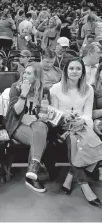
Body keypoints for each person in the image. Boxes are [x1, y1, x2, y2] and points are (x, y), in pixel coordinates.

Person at [50, 58, 102, 207]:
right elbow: (54, 111)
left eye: (78, 69)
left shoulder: (88, 89)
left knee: (97, 144)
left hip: (82, 124)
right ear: (66, 70)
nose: (74, 71)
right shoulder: (56, 88)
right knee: (74, 143)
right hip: (63, 125)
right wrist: (65, 117)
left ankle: (70, 175)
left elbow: (87, 113)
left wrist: (83, 121)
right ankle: (84, 185)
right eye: (71, 68)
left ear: (82, 72)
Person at [4, 62, 49, 193]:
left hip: (36, 124)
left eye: (28, 73)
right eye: (24, 72)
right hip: (17, 125)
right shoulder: (16, 87)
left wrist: (42, 116)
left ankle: (32, 170)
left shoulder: (44, 90)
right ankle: (33, 173)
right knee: (39, 140)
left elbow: (45, 110)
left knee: (40, 126)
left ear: (36, 76)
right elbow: (16, 112)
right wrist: (24, 94)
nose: (24, 75)